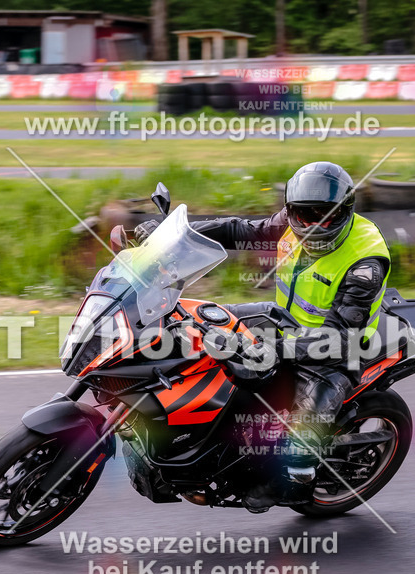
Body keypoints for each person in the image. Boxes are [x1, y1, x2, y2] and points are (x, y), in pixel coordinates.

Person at [135, 162, 391, 506]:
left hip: (334, 354)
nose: (313, 224)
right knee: (200, 322)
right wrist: (173, 235)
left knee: (301, 443)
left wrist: (272, 348)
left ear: (345, 212)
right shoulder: (287, 224)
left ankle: (288, 485)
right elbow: (238, 230)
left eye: (325, 216)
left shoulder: (365, 264)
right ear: (290, 210)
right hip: (283, 321)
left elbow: (339, 338)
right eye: (304, 214)